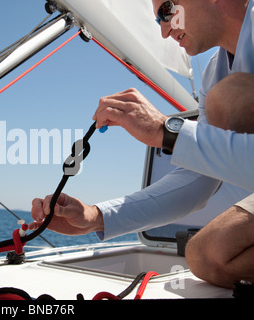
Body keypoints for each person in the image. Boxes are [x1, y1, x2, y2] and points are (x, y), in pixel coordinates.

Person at [30, 0, 254, 289]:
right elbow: (197, 179)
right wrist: (95, 217)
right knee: (205, 256)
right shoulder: (214, 74)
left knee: (228, 100)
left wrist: (168, 131)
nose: (164, 32)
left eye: (167, 10)